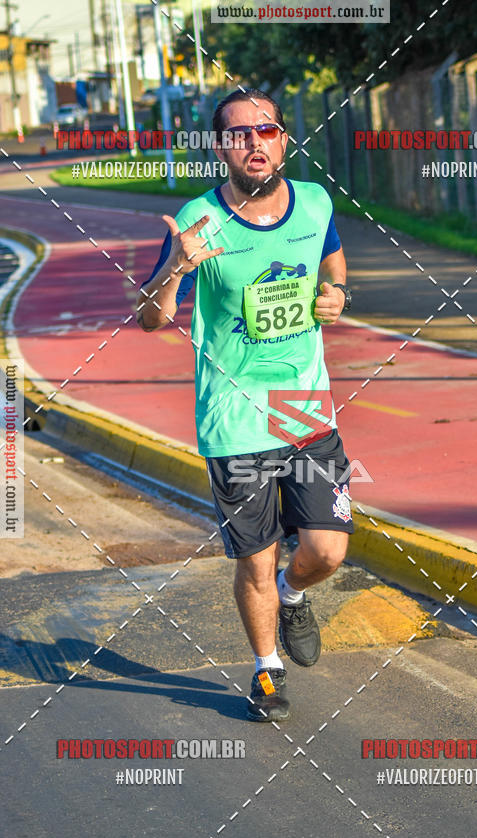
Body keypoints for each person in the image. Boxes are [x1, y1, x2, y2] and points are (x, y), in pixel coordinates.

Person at [138, 87, 354, 722]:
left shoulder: (314, 202)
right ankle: (266, 669)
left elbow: (333, 264)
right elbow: (151, 320)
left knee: (327, 550)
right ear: (221, 146)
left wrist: (337, 293)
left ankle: (294, 594)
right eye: (239, 134)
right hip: (234, 417)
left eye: (265, 131)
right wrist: (175, 267)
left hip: (303, 405)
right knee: (254, 558)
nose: (253, 143)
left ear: (283, 140)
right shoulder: (198, 219)